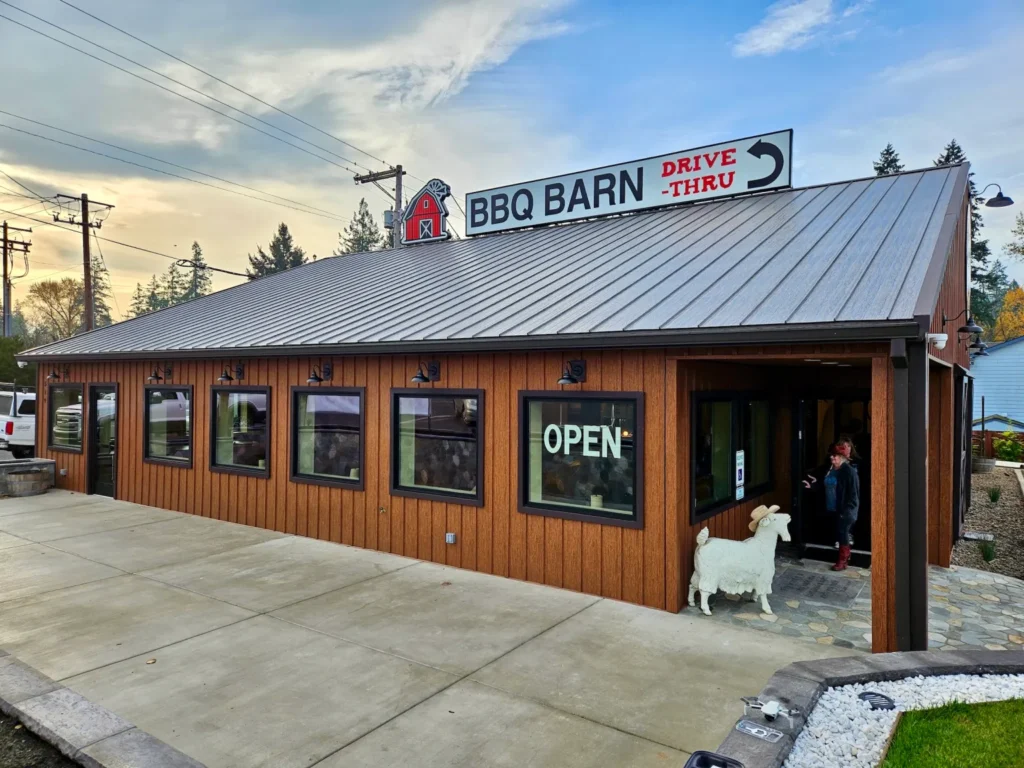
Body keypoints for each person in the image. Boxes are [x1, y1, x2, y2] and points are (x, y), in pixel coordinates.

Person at [824, 445, 860, 570]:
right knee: (841, 533)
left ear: (842, 458)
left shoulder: (849, 472)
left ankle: (842, 560)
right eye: (831, 455)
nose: (831, 457)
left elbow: (853, 494)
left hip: (847, 510)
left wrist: (847, 510)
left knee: (843, 533)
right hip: (836, 508)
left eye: (834, 456)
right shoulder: (834, 469)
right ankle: (845, 559)